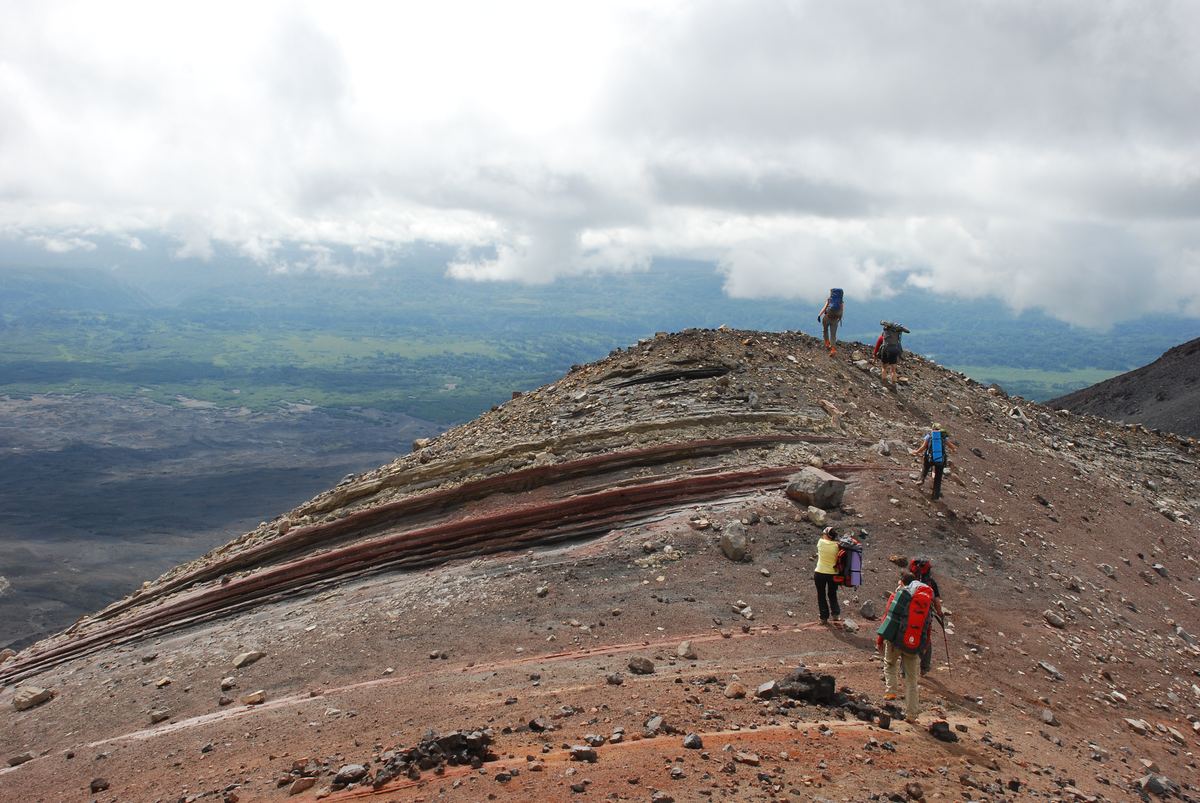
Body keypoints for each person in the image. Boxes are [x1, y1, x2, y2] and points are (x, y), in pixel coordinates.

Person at [876, 571, 934, 723]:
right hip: (913, 647)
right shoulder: (925, 602)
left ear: (902, 582)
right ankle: (911, 715)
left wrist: (880, 639)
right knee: (912, 681)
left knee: (889, 664)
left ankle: (891, 691)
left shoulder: (898, 596)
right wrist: (924, 646)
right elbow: (927, 627)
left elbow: (887, 619)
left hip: (895, 641)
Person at [908, 557, 944, 673]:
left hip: (909, 614)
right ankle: (924, 667)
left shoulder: (910, 580)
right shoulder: (931, 583)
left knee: (906, 635)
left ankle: (904, 669)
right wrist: (940, 614)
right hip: (925, 617)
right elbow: (937, 602)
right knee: (926, 639)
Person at [911, 424, 954, 500]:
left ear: (932, 428)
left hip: (929, 458)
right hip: (940, 460)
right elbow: (951, 446)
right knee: (938, 477)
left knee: (925, 467)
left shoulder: (929, 435)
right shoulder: (943, 436)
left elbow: (923, 447)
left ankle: (921, 479)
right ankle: (935, 495)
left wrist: (916, 452)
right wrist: (954, 449)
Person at [813, 526, 842, 624]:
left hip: (820, 572)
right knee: (832, 594)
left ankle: (824, 617)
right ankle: (836, 614)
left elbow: (823, 540)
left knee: (821, 595)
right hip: (833, 574)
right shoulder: (838, 546)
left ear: (827, 535)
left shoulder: (820, 543)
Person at [873, 320, 909, 385]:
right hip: (894, 350)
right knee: (893, 370)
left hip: (885, 349)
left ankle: (884, 383)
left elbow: (877, 347)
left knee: (884, 368)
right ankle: (893, 385)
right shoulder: (896, 337)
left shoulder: (882, 337)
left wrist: (875, 356)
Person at [816, 289, 844, 356]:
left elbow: (825, 308)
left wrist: (819, 315)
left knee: (825, 330)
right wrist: (839, 319)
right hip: (835, 320)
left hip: (827, 317)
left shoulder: (829, 299)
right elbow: (842, 310)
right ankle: (833, 349)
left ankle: (827, 343)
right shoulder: (841, 301)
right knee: (833, 335)